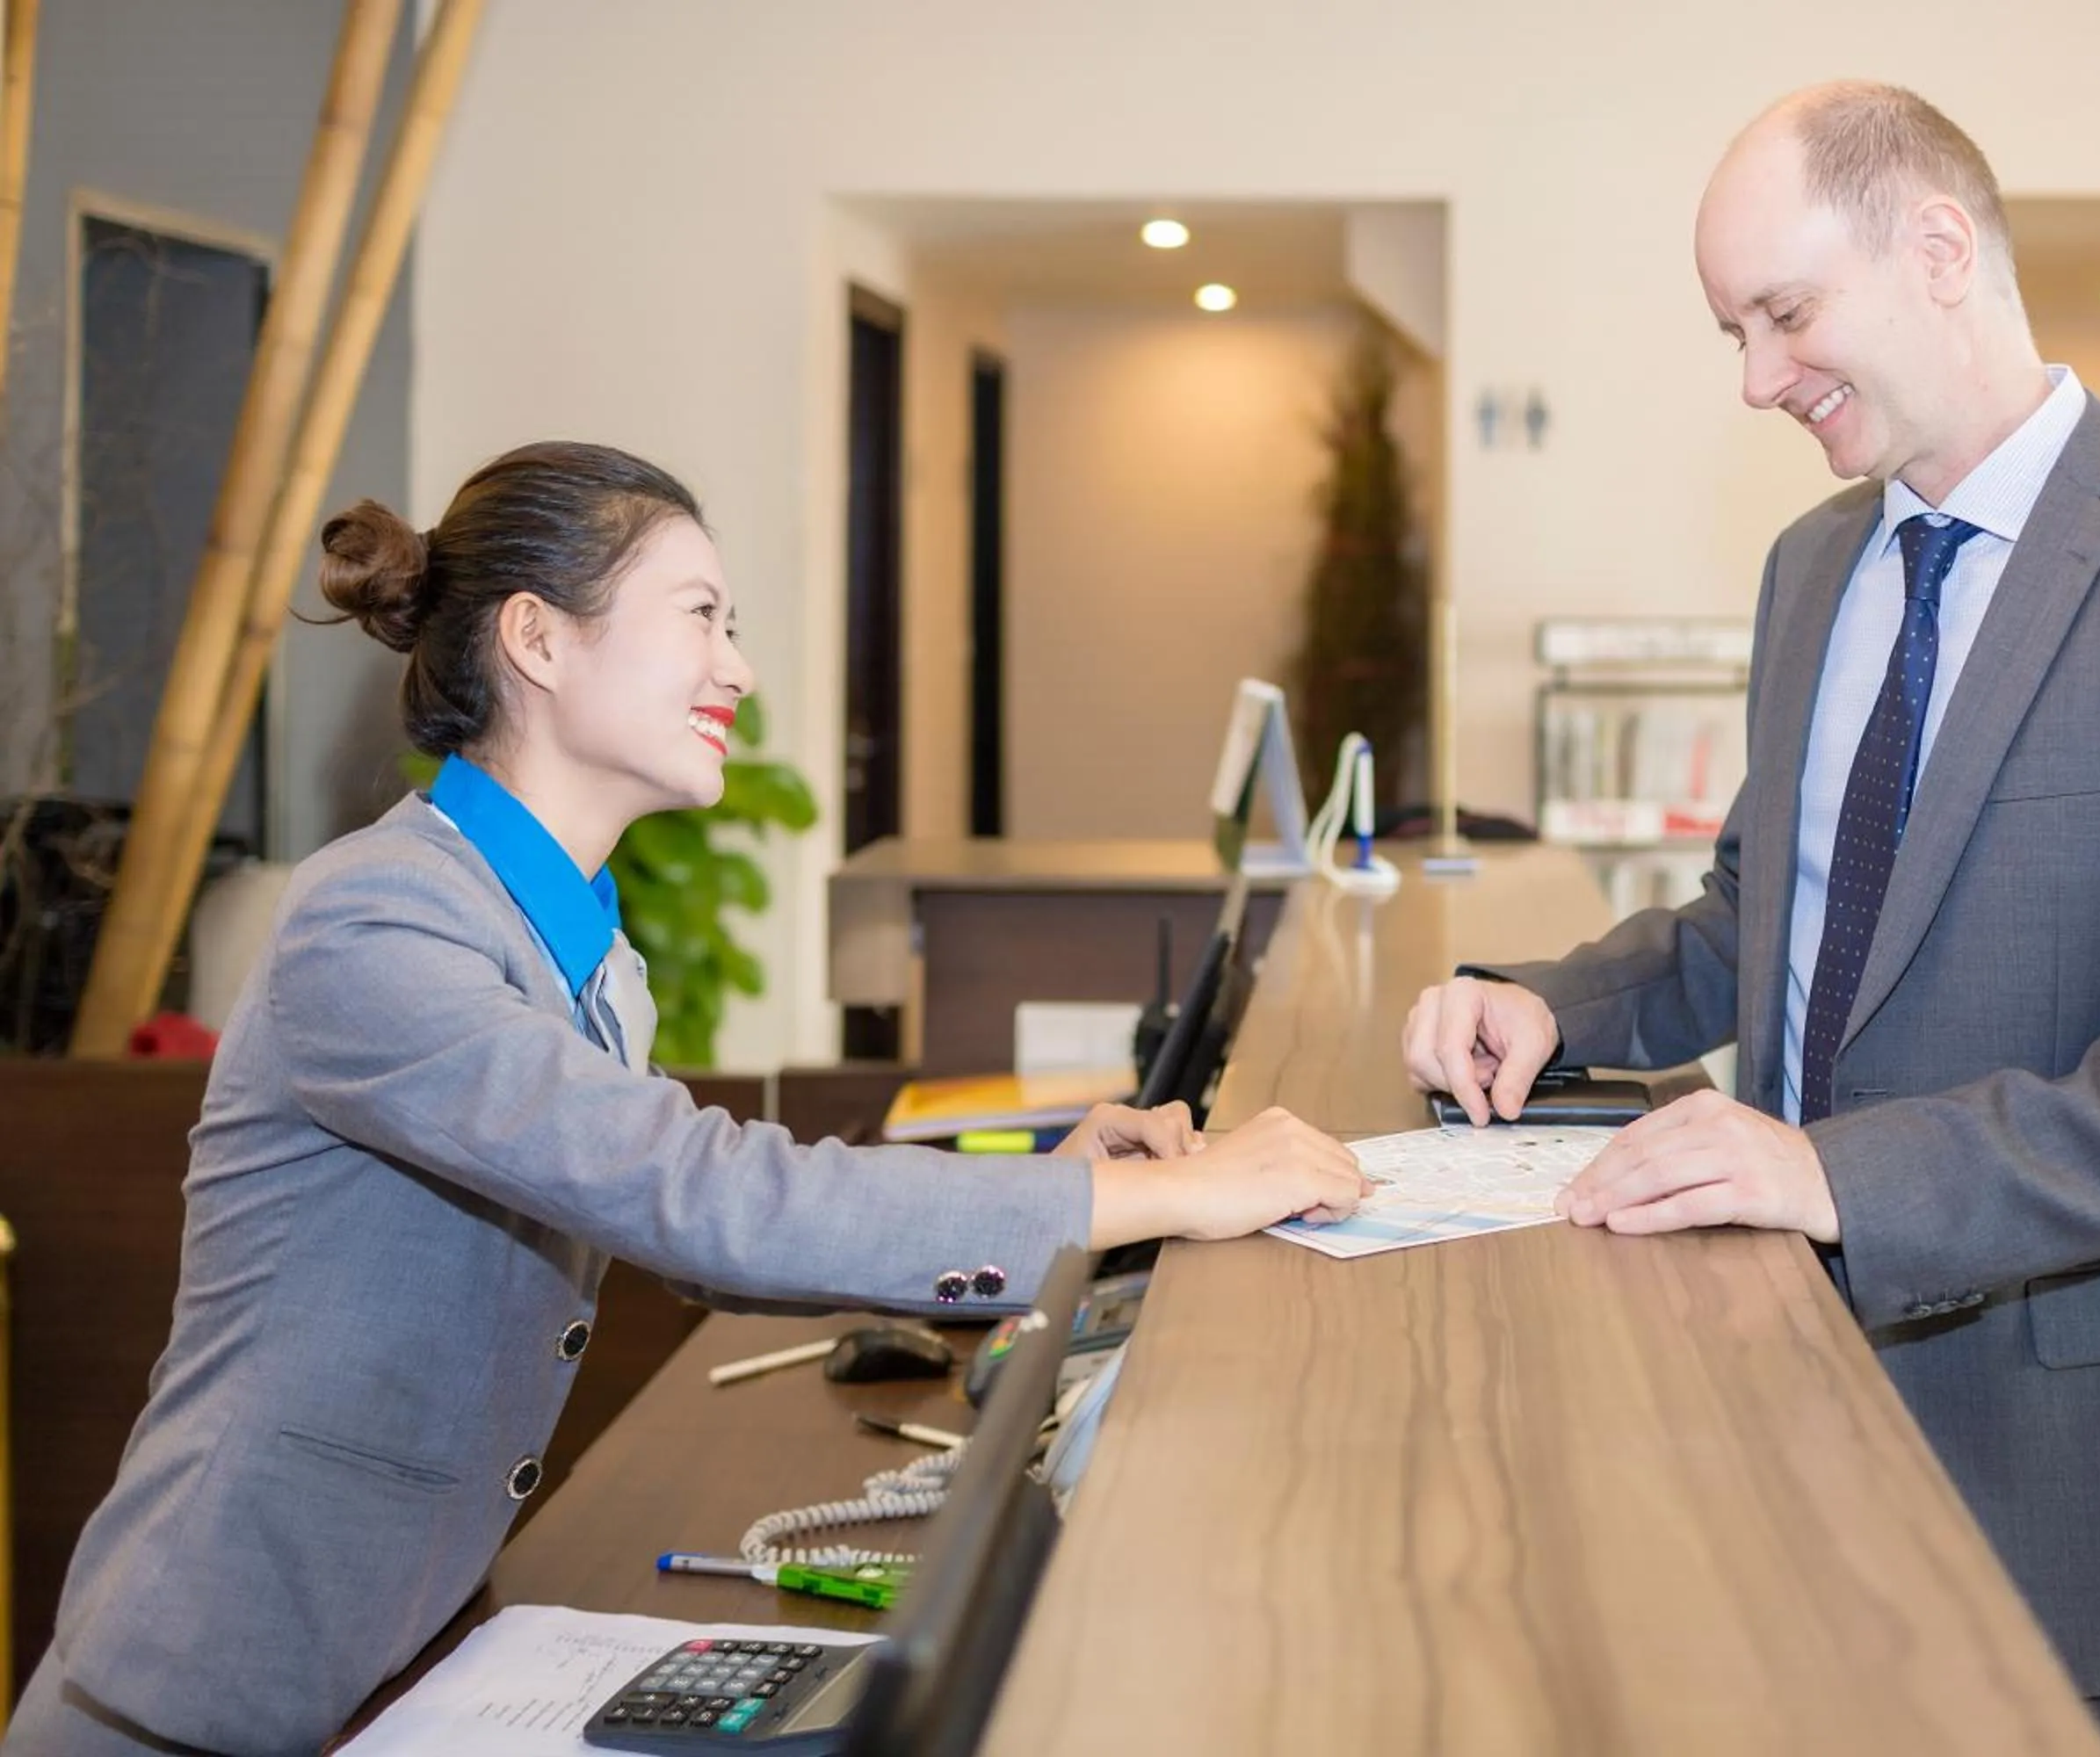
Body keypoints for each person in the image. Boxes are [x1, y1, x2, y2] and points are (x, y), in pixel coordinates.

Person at [9, 441, 1365, 1756]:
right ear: (538, 642)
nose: (740, 668)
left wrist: (1058, 1181)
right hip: (211, 1687)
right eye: (702, 616)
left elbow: (699, 1213)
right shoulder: (374, 925)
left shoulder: (583, 948)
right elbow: (700, 1197)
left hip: (403, 1646)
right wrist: (1158, 1190)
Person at [1403, 83, 2100, 1757]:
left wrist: (1840, 1176)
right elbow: (1768, 915)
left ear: (1939, 248)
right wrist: (1554, 1001)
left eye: (1785, 313)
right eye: (1733, 330)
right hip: (1782, 1408)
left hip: (2096, 1472)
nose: (1753, 378)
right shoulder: (1813, 567)